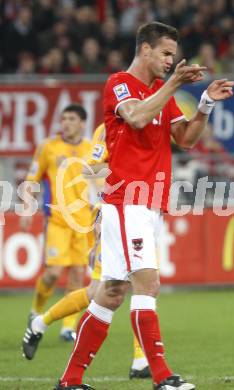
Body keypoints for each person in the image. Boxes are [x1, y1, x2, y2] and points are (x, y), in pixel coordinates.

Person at [54, 22, 234, 390]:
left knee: (110, 292)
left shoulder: (161, 91)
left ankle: (70, 380)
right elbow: (136, 116)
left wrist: (204, 104)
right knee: (148, 284)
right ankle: (161, 377)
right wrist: (174, 84)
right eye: (166, 54)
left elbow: (185, 139)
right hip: (127, 200)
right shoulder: (119, 83)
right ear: (145, 50)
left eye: (173, 55)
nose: (171, 62)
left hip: (145, 204)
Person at [22, 123, 151, 379]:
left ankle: (41, 323)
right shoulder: (107, 129)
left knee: (124, 287)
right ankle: (139, 361)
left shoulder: (148, 122)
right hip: (112, 215)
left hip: (140, 215)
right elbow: (91, 169)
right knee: (119, 288)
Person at [21, 104, 93, 343]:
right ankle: (35, 311)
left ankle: (67, 326)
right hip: (58, 221)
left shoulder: (91, 148)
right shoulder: (48, 147)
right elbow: (32, 178)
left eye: (72, 119)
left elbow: (101, 183)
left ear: (83, 123)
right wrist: (26, 208)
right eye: (64, 118)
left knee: (77, 275)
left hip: (84, 223)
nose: (66, 123)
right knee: (52, 274)